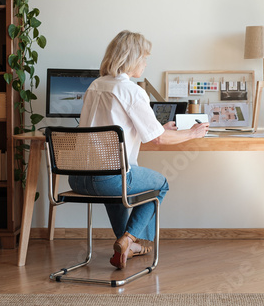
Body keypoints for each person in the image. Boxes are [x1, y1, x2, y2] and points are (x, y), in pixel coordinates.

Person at [68, 30, 209, 270]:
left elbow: (117, 133)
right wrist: (192, 133)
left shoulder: (95, 86)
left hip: (78, 180)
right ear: (131, 58)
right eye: (143, 57)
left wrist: (156, 128)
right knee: (160, 184)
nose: (145, 63)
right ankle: (130, 238)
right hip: (108, 180)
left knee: (117, 183)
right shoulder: (133, 91)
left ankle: (127, 245)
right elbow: (159, 141)